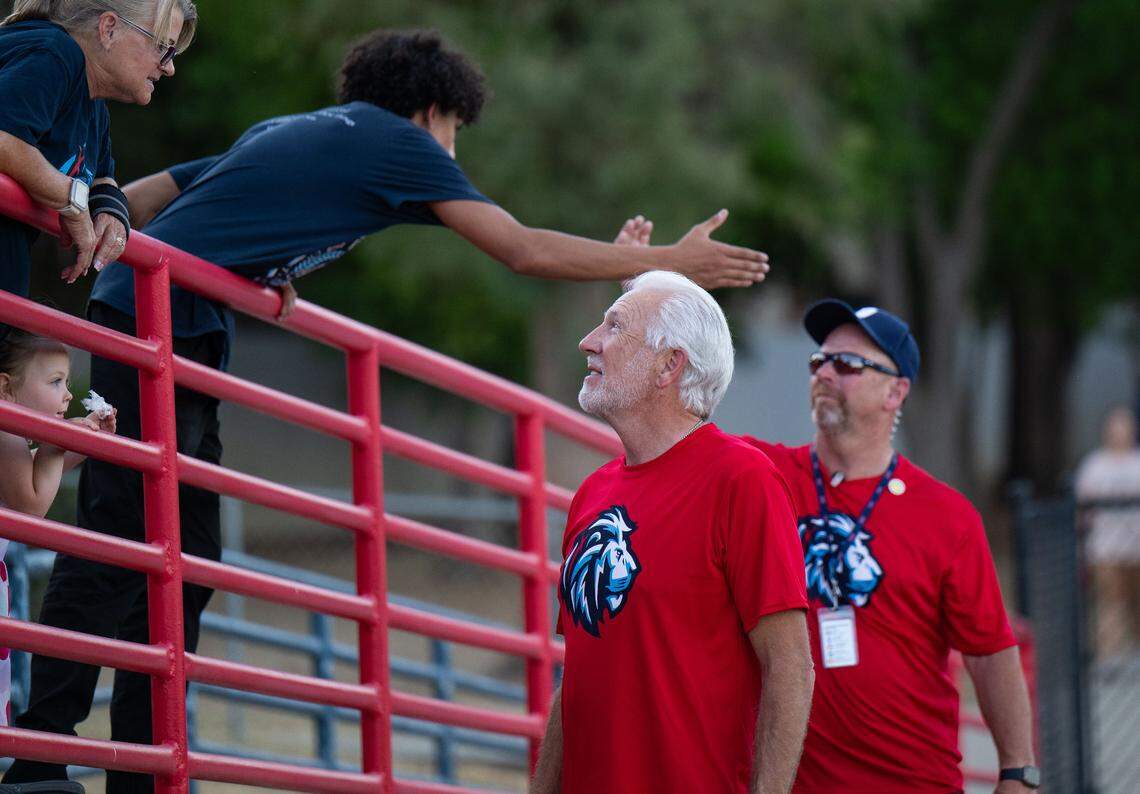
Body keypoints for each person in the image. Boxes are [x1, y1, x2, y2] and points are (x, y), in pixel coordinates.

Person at [530, 271, 813, 794]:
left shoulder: (741, 480)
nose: (588, 342)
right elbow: (579, 675)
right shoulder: (592, 492)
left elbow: (790, 668)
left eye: (614, 328)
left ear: (669, 365)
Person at [739, 299, 1038, 793]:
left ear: (895, 391)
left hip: (912, 781)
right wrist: (645, 298)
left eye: (848, 364)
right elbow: (683, 434)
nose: (826, 373)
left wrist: (1018, 772)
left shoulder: (947, 516)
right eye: (820, 361)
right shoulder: (762, 475)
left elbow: (990, 654)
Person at [0, 0, 196, 299]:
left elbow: (100, 179)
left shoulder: (93, 105)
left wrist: (110, 212)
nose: (169, 67)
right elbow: (4, 137)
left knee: (47, 348)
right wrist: (72, 201)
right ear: (108, 29)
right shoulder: (53, 53)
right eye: (163, 47)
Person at [0, 329, 117, 730]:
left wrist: (73, 446)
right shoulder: (4, 429)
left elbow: (28, 477)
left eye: (66, 382)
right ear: (6, 388)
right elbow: (30, 505)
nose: (68, 395)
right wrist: (55, 448)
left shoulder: (11, 435)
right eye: (55, 382)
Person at [1076, 405, 1140, 663]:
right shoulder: (1095, 465)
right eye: (1114, 427)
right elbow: (1082, 507)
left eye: (1123, 427)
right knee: (1109, 606)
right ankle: (1110, 661)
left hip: (1136, 548)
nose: (1118, 433)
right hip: (1105, 550)